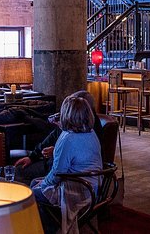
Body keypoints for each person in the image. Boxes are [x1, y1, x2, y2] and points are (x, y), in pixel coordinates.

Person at [31, 94, 103, 234]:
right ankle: (53, 226)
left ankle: (47, 229)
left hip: (77, 190)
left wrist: (44, 184)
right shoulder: (91, 133)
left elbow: (58, 172)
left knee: (31, 193)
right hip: (93, 186)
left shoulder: (68, 138)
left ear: (67, 114)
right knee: (35, 183)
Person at [14, 90, 104, 183]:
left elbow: (57, 174)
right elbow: (51, 139)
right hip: (78, 180)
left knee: (23, 176)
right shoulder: (84, 129)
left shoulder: (77, 134)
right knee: (23, 173)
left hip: (73, 181)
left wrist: (56, 151)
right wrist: (32, 157)